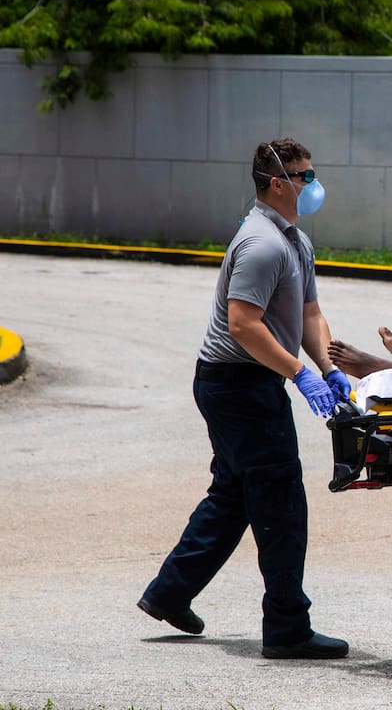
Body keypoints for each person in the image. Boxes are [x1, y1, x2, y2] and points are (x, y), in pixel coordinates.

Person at [138, 137, 353, 660]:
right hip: (237, 384)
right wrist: (301, 374)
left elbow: (308, 315)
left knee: (234, 494)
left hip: (246, 381)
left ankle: (169, 593)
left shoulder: (295, 240)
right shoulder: (262, 243)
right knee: (280, 498)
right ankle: (286, 627)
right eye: (305, 175)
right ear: (277, 182)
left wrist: (329, 367)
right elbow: (242, 325)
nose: (313, 183)